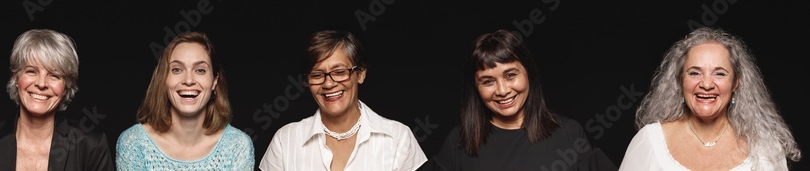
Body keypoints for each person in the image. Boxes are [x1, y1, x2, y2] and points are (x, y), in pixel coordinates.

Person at [424, 29, 615, 171]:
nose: (502, 90)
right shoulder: (459, 142)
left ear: (528, 74)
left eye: (510, 75)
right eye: (488, 81)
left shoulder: (569, 134)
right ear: (476, 87)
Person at [620, 27, 801, 170]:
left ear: (735, 82)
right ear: (680, 80)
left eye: (719, 74)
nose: (706, 84)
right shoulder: (651, 141)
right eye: (695, 72)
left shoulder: (764, 149)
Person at [259, 30, 427, 171]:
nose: (329, 83)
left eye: (339, 72)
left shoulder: (398, 138)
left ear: (360, 73)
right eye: (317, 75)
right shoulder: (285, 140)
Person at [0, 29, 115, 171]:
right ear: (16, 78)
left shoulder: (92, 147)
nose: (41, 83)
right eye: (32, 71)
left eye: (54, 75)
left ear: (65, 87)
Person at [116, 31, 254, 170]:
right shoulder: (134, 142)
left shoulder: (237, 146)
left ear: (214, 81)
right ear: (163, 79)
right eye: (177, 69)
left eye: (200, 70)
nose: (188, 80)